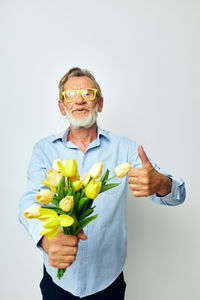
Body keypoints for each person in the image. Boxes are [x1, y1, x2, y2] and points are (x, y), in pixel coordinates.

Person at [19, 67, 186, 299]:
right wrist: (46, 240)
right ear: (61, 106)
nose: (79, 100)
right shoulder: (44, 149)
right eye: (71, 95)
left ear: (100, 103)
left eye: (88, 93)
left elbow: (177, 193)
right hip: (59, 281)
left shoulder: (125, 148)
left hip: (108, 283)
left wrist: (161, 184)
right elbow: (30, 200)